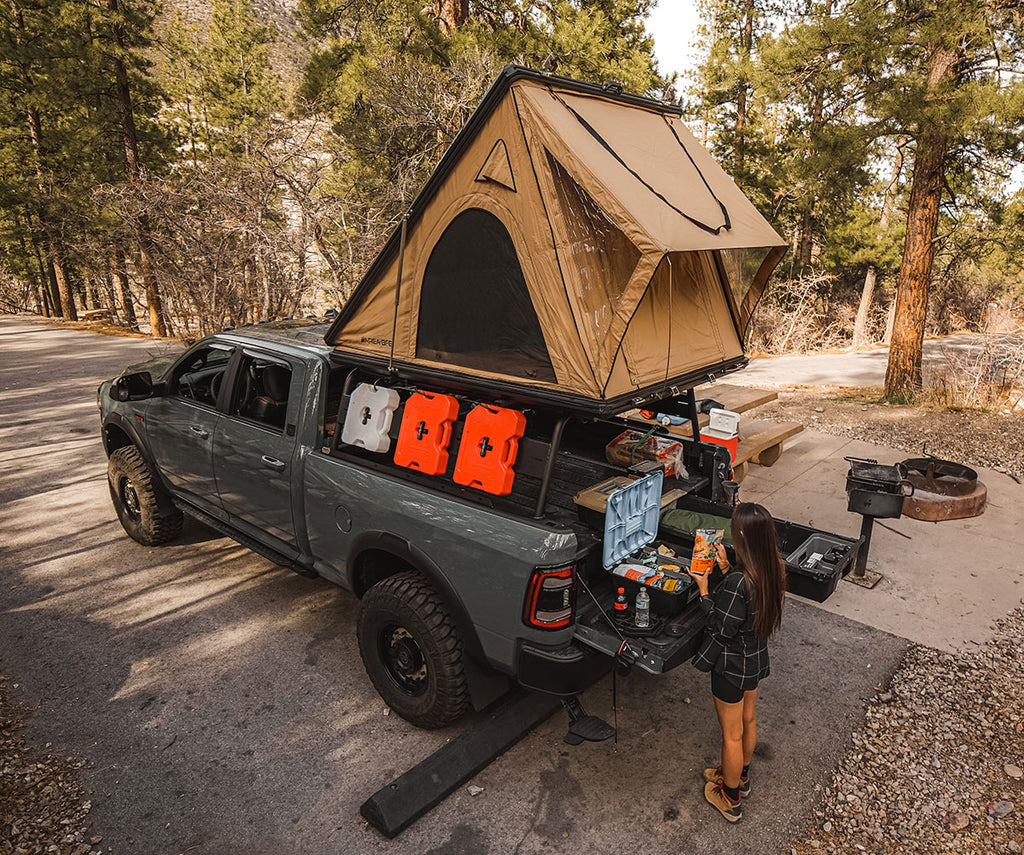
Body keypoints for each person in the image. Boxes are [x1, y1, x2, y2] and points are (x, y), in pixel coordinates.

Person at [687, 502, 787, 823]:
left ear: (742, 535)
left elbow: (722, 626)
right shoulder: (771, 569)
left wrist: (704, 591)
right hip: (755, 659)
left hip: (731, 665)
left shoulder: (738, 584)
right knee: (748, 720)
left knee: (730, 734)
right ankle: (740, 776)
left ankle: (730, 798)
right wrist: (728, 568)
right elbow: (748, 610)